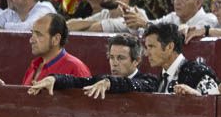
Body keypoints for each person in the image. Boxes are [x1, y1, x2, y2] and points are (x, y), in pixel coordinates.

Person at [28, 34, 157, 97]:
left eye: (121, 58)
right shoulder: (103, 80)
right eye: (111, 57)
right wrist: (54, 79)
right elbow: (79, 81)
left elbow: (135, 84)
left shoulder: (149, 81)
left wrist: (109, 83)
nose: (114, 63)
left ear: (136, 61)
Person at [142, 21, 220, 95]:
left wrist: (196, 96)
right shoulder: (160, 79)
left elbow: (215, 101)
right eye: (146, 47)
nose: (146, 54)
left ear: (169, 47)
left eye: (151, 46)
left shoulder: (198, 73)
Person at [12, 14, 92, 85]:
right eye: (32, 33)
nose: (31, 40)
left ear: (56, 39)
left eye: (39, 35)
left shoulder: (76, 68)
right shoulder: (34, 65)